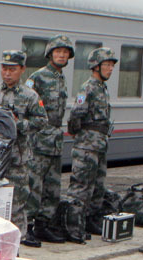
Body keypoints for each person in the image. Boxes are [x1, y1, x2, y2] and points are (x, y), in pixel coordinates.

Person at [0, 50, 46, 247]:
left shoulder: (30, 96)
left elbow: (41, 121)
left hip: (17, 161)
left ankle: (16, 246)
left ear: (22, 69)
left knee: (17, 205)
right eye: (4, 69)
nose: (7, 73)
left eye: (12, 69)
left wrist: (17, 125)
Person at [65, 47, 118, 244]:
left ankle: (90, 220)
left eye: (112, 65)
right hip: (87, 146)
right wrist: (83, 136)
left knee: (97, 186)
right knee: (81, 187)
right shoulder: (88, 87)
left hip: (99, 145)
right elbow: (76, 116)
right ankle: (73, 226)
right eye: (107, 65)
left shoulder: (102, 87)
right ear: (96, 66)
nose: (110, 69)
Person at [27, 35, 74, 244]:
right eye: (58, 52)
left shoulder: (61, 78)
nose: (62, 55)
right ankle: (27, 226)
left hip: (55, 139)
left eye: (65, 52)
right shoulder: (37, 77)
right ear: (50, 54)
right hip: (39, 139)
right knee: (34, 185)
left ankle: (43, 225)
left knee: (53, 187)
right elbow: (27, 104)